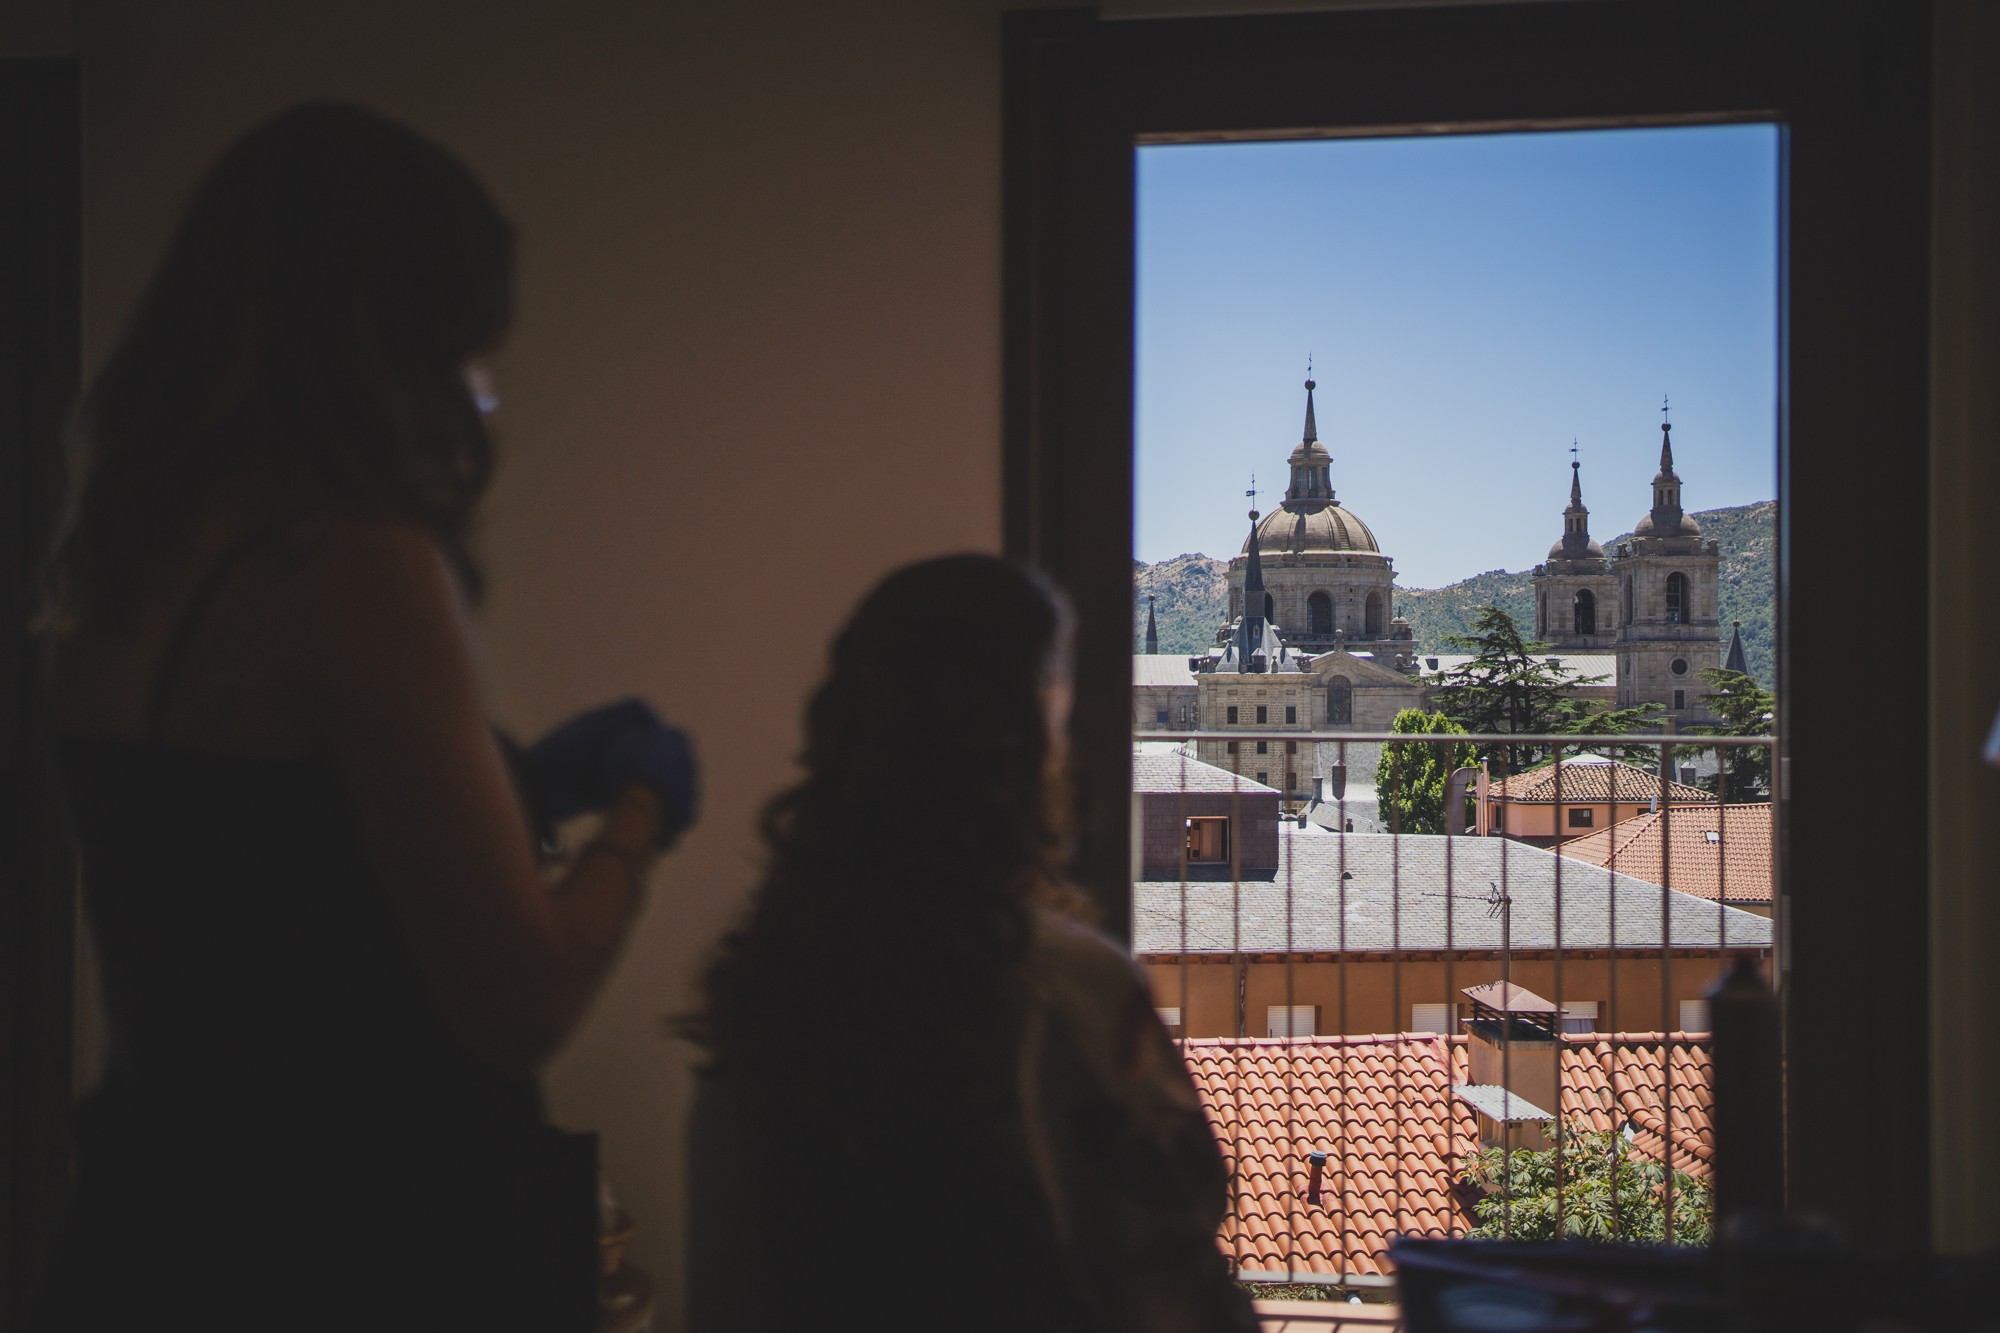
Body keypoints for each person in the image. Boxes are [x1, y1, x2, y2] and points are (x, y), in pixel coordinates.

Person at [34, 103, 696, 1330]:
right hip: (368, 1244)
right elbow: (519, 998)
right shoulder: (349, 566)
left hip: (162, 1224)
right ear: (391, 347)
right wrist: (637, 816)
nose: (472, 394)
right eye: (461, 354)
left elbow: (269, 860)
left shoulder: (117, 570)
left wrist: (522, 791)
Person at [681, 555, 1256, 1333]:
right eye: (1060, 718)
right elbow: (1175, 1273)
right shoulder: (1067, 993)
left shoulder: (755, 986)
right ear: (1027, 751)